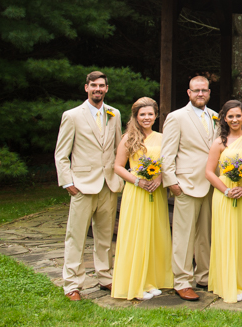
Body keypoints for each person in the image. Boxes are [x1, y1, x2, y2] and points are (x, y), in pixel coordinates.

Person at [54, 71, 123, 301]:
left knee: (105, 236)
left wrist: (119, 177)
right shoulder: (72, 116)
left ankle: (105, 276)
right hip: (82, 185)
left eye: (102, 86)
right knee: (76, 236)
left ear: (106, 88)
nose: (98, 89)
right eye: (94, 85)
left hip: (108, 184)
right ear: (86, 88)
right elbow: (61, 153)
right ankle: (72, 284)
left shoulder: (115, 114)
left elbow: (116, 149)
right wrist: (68, 182)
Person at [161, 75, 218, 302]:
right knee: (183, 236)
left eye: (204, 90)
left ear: (209, 92)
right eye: (196, 90)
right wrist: (172, 182)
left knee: (206, 234)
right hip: (186, 184)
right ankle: (182, 281)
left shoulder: (215, 116)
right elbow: (167, 153)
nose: (200, 94)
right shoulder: (176, 117)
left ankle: (203, 276)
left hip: (211, 185)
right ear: (188, 92)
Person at [111, 97, 173, 300]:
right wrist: (137, 181)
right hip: (136, 192)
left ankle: (151, 280)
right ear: (136, 117)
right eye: (142, 114)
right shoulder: (129, 138)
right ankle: (135, 284)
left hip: (156, 192)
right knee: (137, 235)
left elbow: (168, 164)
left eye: (150, 114)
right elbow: (118, 167)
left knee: (155, 234)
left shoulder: (163, 138)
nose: (147, 118)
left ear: (156, 116)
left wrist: (160, 177)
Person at [205, 100, 242, 304]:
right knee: (227, 237)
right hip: (224, 195)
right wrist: (226, 190)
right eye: (231, 116)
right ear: (224, 119)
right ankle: (227, 283)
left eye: (238, 115)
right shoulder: (219, 142)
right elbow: (209, 172)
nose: (235, 119)